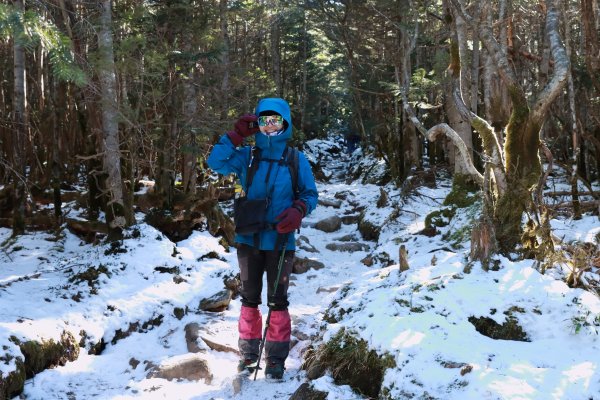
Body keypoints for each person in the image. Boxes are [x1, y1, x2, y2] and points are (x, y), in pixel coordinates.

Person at [207, 98, 318, 380]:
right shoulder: (248, 156)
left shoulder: (296, 159)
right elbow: (215, 162)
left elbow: (310, 194)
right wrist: (236, 136)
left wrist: (298, 210)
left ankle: (276, 359)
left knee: (278, 300)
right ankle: (248, 354)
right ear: (257, 123)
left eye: (276, 121)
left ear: (285, 123)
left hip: (281, 241)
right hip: (248, 238)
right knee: (249, 298)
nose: (270, 127)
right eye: (265, 121)